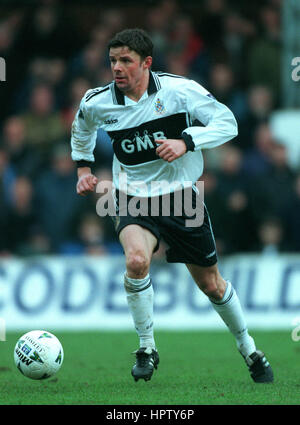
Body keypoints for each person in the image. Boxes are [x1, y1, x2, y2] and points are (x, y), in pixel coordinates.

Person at [70, 28, 273, 383]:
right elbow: (82, 127)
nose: (117, 68)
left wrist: (187, 141)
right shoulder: (97, 100)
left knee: (212, 285)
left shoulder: (180, 91)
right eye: (113, 60)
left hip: (181, 198)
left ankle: (250, 349)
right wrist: (83, 168)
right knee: (136, 261)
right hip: (131, 197)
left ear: (146, 63)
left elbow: (228, 123)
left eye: (125, 61)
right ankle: (147, 348)